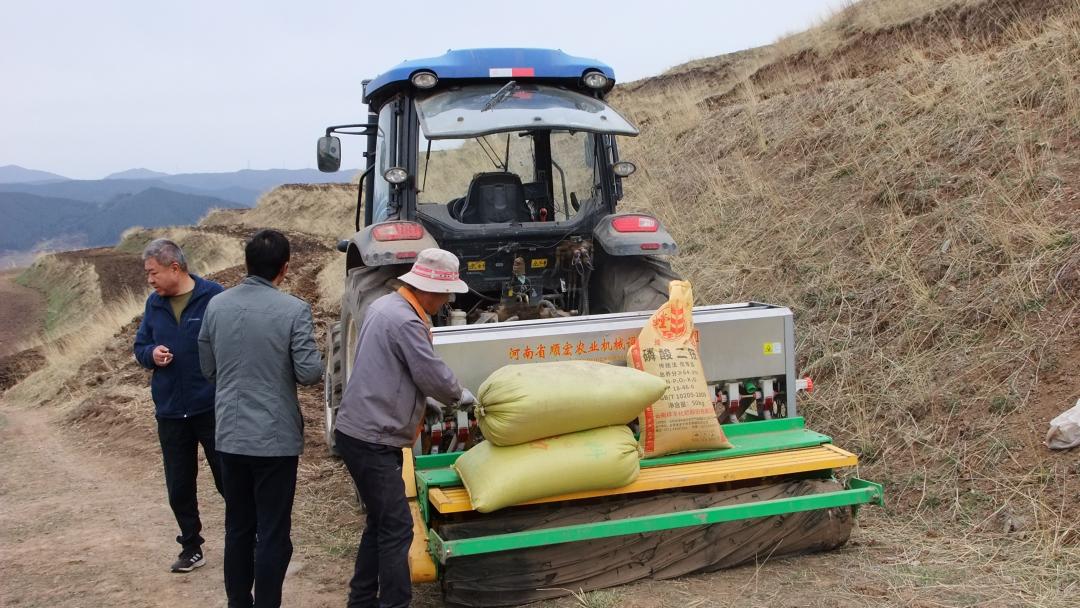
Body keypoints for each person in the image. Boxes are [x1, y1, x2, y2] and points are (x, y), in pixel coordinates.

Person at [334, 248, 476, 608]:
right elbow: (431, 373)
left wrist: (420, 401)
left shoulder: (384, 306)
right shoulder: (407, 321)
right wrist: (459, 396)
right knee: (397, 526)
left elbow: (390, 369)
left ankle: (361, 599)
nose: (447, 300)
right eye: (446, 293)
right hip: (372, 438)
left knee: (380, 522)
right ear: (428, 288)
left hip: (360, 431)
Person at [198, 229, 323, 608]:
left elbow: (208, 368)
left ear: (247, 263)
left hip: (230, 435)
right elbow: (308, 373)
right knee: (272, 531)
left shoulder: (216, 306)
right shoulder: (294, 310)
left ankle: (239, 602)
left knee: (238, 527)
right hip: (275, 438)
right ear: (284, 269)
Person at [133, 238, 225, 573]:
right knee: (179, 485)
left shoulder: (213, 296)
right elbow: (141, 345)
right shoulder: (153, 305)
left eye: (153, 272)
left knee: (228, 479)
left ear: (175, 268)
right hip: (171, 410)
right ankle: (191, 546)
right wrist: (152, 355)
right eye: (148, 274)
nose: (150, 280)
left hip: (211, 407)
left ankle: (249, 536)